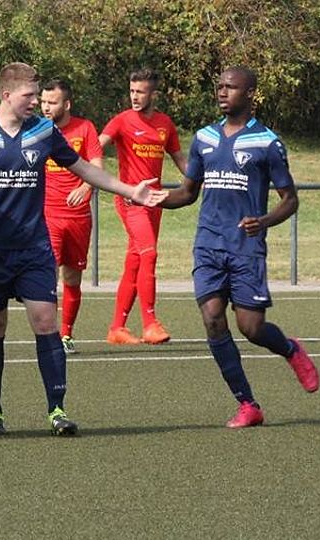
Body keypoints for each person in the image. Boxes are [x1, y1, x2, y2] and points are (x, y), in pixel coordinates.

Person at [0, 62, 167, 436]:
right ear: (7, 94)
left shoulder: (43, 131)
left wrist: (129, 190)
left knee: (46, 322)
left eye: (38, 95)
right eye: (29, 95)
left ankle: (57, 409)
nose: (36, 102)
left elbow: (84, 168)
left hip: (33, 247)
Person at [158, 66, 319, 428]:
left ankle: (290, 348)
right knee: (213, 319)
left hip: (246, 248)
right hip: (208, 245)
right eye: (219, 86)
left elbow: (290, 200)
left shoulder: (267, 142)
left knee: (251, 327)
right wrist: (153, 199)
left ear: (249, 94)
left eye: (230, 87)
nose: (222, 92)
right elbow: (188, 192)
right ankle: (248, 404)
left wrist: (263, 221)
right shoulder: (204, 138)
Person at [100, 68, 188, 345]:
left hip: (155, 202)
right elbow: (96, 147)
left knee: (136, 260)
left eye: (140, 92)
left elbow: (180, 159)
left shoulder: (165, 124)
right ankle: (150, 324)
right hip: (131, 201)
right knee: (148, 253)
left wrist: (202, 181)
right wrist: (93, 178)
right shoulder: (122, 121)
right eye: (132, 91)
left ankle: (117, 328)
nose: (135, 96)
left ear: (154, 94)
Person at [40, 78, 104, 355]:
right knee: (48, 276)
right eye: (43, 102)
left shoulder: (85, 128)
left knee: (72, 278)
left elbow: (97, 165)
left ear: (66, 104)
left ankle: (66, 334)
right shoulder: (38, 130)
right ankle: (49, 335)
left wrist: (85, 186)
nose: (45, 107)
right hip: (48, 215)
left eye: (52, 102)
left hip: (78, 217)